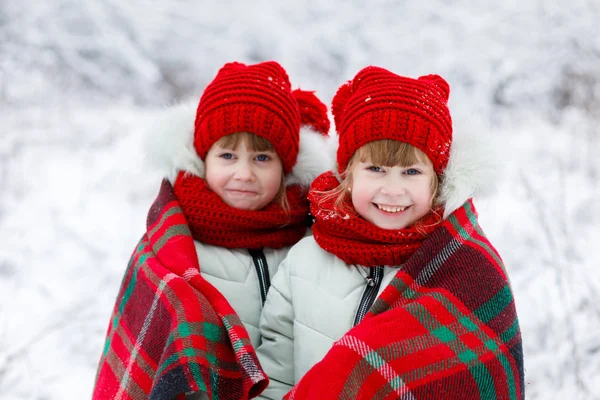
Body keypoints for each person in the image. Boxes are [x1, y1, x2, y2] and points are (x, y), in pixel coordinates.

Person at [256, 66, 524, 399]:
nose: (392, 190)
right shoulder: (303, 262)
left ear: (437, 180)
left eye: (411, 171)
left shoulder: (458, 267)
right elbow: (275, 376)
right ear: (348, 173)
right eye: (375, 169)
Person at [92, 61, 332, 400]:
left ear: (287, 165)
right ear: (203, 158)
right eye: (228, 155)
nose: (244, 173)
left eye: (262, 158)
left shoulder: (311, 242)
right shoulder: (170, 249)